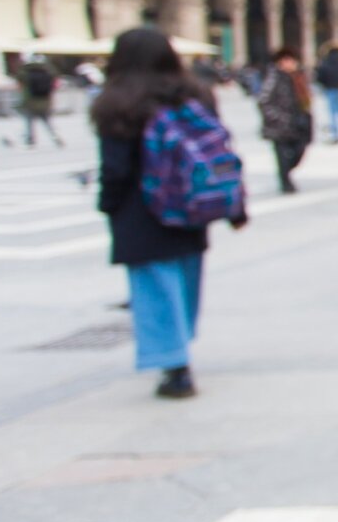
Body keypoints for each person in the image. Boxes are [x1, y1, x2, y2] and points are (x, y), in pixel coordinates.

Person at [92, 27, 247, 399]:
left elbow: (115, 167)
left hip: (141, 207)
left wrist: (108, 203)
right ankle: (179, 342)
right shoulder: (195, 94)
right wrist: (234, 202)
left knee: (153, 284)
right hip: (191, 202)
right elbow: (217, 147)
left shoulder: (117, 101)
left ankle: (174, 363)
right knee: (184, 276)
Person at [257, 48, 314, 194]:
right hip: (279, 126)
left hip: (299, 122)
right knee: (282, 156)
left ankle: (286, 175)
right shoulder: (274, 78)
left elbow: (306, 99)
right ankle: (286, 182)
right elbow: (264, 101)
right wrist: (279, 117)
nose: (289, 64)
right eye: (285, 61)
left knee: (299, 151)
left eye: (291, 60)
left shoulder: (300, 76)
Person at [17, 56, 66, 147]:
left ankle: (30, 140)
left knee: (29, 122)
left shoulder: (24, 73)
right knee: (48, 122)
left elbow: (19, 85)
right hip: (45, 102)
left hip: (30, 102)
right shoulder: (48, 72)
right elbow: (55, 81)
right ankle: (55, 137)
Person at [314, 40, 338, 144]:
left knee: (333, 113)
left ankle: (335, 135)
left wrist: (325, 85)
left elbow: (320, 77)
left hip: (331, 89)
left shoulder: (324, 63)